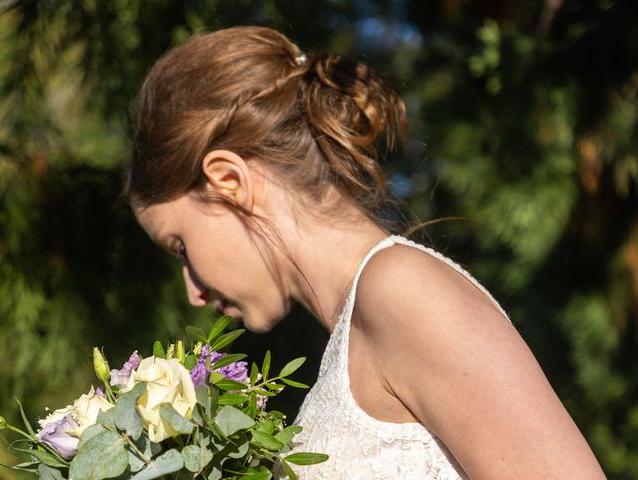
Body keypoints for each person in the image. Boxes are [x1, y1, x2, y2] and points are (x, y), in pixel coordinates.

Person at [123, 26, 606, 479]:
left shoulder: (401, 290)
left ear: (229, 181)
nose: (193, 292)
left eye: (181, 246)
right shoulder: (355, 336)